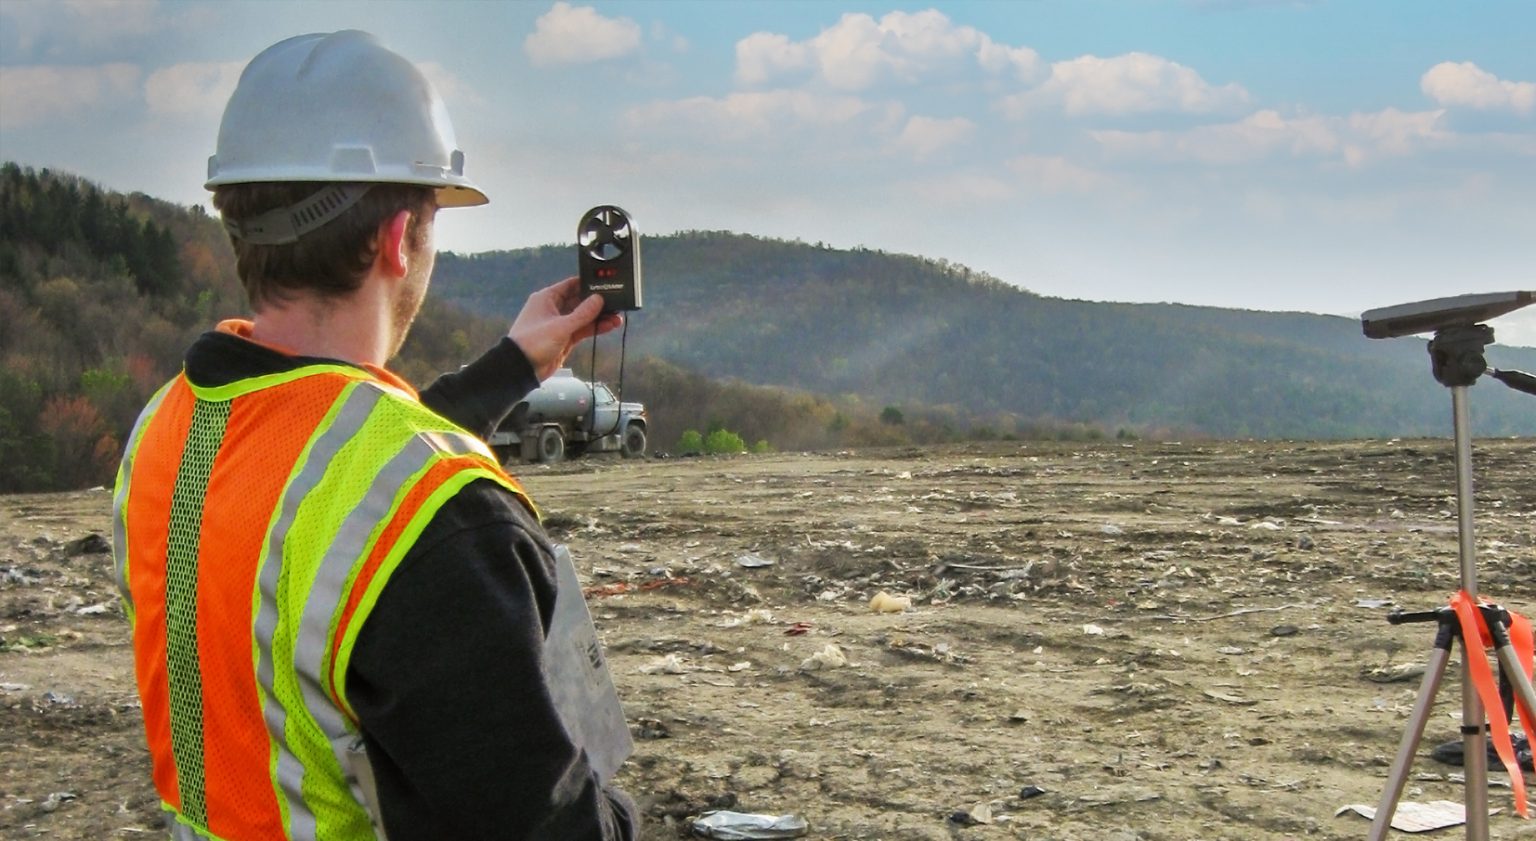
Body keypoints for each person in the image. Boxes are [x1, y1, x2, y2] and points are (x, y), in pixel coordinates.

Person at [111, 30, 638, 840]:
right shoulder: (443, 518)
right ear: (398, 238)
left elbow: (328, 478)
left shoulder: (167, 430)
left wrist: (512, 366)